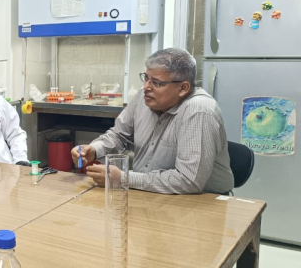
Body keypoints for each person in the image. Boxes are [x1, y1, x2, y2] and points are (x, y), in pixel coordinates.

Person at [72, 48, 234, 194]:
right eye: (146, 78)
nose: (146, 87)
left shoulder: (198, 111)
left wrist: (125, 178)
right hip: (150, 193)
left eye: (156, 83)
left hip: (201, 202)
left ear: (183, 88)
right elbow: (119, 135)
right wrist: (94, 149)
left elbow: (188, 181)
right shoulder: (144, 97)